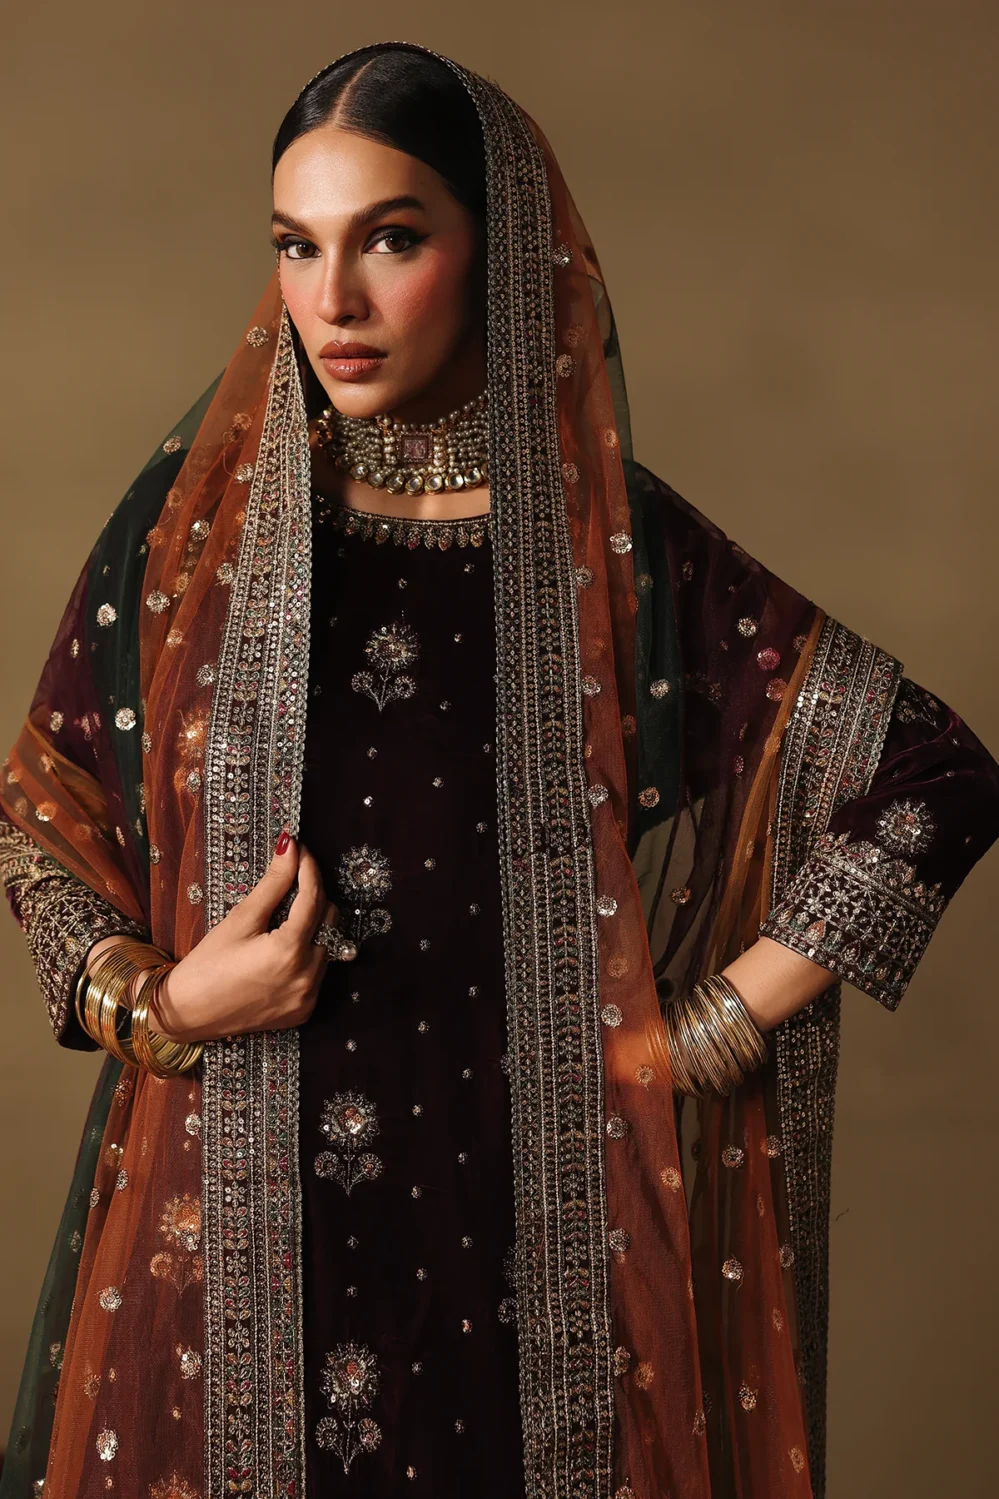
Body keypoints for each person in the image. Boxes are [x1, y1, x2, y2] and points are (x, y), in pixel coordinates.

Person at [1, 41, 996, 1499]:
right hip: (225, 1259)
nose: (332, 300)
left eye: (390, 240)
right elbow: (44, 819)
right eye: (297, 245)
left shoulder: (614, 553)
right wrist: (164, 1007)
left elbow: (935, 774)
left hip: (522, 1256)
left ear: (500, 251)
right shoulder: (193, 529)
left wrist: (705, 1031)